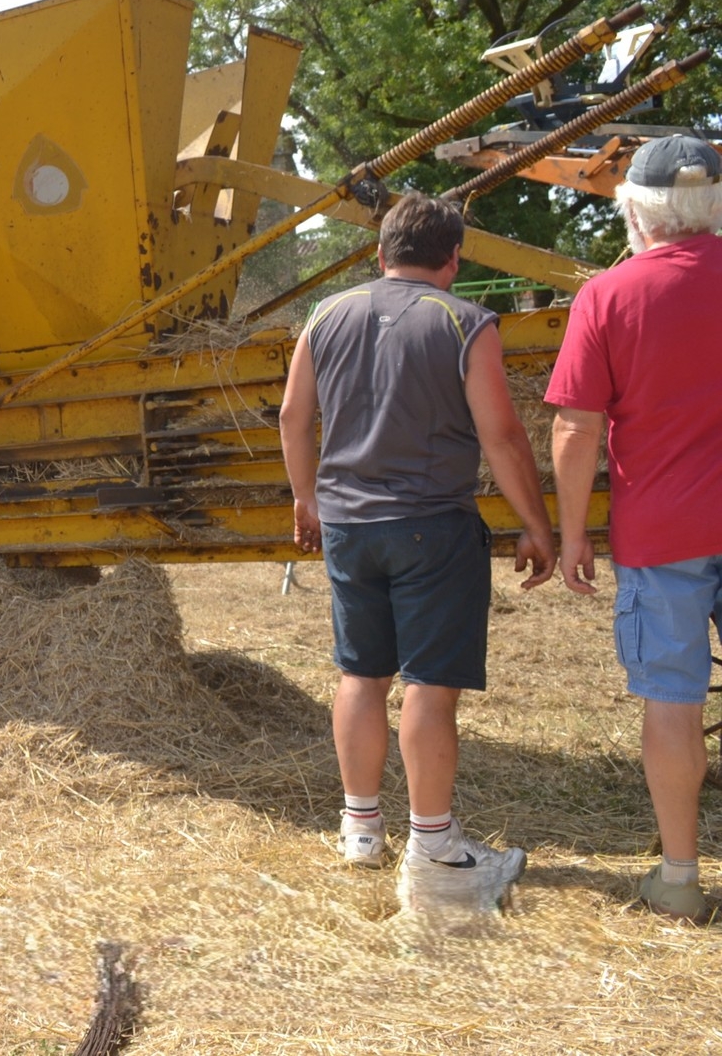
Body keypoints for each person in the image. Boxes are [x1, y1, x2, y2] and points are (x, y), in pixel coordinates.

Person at [279, 192, 557, 912]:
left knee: (360, 674)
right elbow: (501, 432)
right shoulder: (464, 320)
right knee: (430, 685)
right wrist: (537, 522)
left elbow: (292, 415)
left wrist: (306, 498)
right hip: (431, 524)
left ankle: (359, 828)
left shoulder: (325, 315)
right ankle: (434, 844)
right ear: (454, 258)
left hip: (346, 525)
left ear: (381, 253)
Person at [547, 134, 722, 924]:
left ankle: (681, 879)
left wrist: (573, 531)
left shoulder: (609, 296)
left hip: (664, 533)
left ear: (636, 211)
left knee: (672, 699)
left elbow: (576, 430)